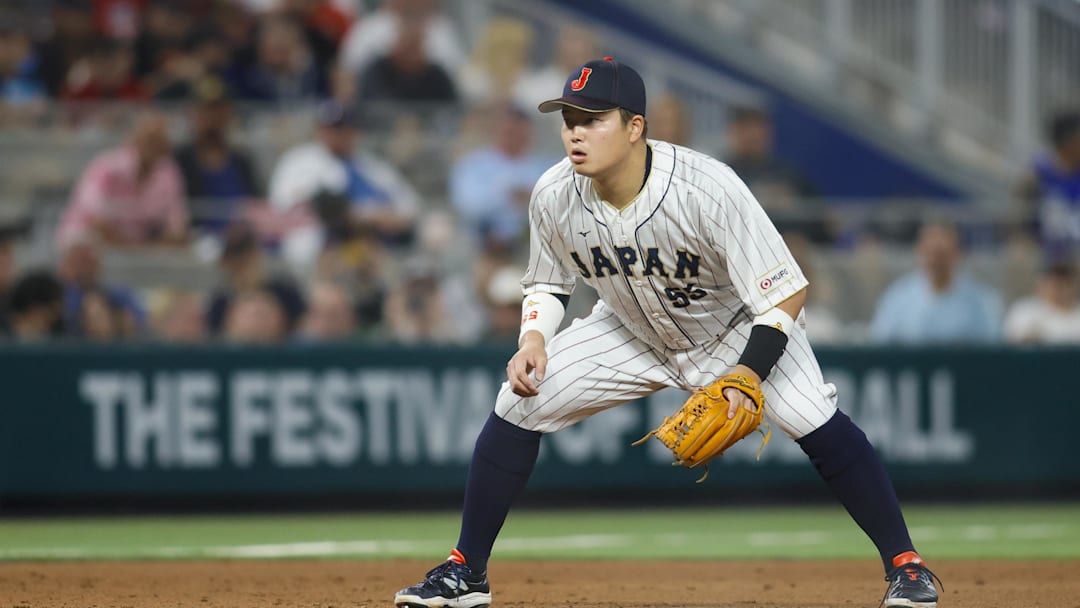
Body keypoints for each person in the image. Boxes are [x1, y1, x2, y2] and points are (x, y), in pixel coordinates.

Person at [393, 57, 941, 608]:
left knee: (812, 418)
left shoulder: (707, 187)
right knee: (517, 403)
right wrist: (532, 340)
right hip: (628, 331)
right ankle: (466, 573)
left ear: (636, 127)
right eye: (568, 119)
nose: (575, 132)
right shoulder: (554, 192)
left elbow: (784, 292)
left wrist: (746, 373)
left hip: (733, 329)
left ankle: (906, 565)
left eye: (593, 118)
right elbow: (546, 282)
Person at [57, 110, 189, 249]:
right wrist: (126, 244)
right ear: (134, 139)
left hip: (140, 247)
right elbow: (92, 215)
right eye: (150, 139)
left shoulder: (169, 173)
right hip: (91, 242)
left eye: (160, 140)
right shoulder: (107, 166)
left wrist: (171, 237)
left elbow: (176, 219)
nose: (154, 145)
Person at [870, 221, 1002, 344]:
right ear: (919, 252)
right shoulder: (897, 298)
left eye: (942, 254)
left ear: (958, 253)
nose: (936, 261)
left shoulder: (983, 301)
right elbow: (880, 345)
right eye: (930, 253)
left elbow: (992, 349)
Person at [1015, 110, 1080, 255]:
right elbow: (1019, 223)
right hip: (1043, 248)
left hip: (1076, 248)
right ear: (1068, 141)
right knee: (1020, 255)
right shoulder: (1037, 174)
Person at [1003, 255, 1080, 344]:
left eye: (1064, 281)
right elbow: (1012, 346)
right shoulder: (1023, 311)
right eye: (1052, 281)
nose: (1058, 286)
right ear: (1041, 283)